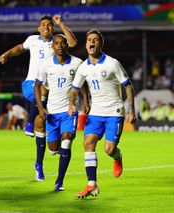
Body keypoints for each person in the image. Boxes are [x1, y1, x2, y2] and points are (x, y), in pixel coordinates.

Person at [0, 15, 77, 181]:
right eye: (43, 25)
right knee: (43, 92)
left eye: (49, 25)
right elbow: (19, 48)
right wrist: (6, 54)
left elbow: (73, 43)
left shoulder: (57, 42)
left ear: (52, 29)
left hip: (51, 91)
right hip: (31, 84)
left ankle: (38, 163)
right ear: (38, 28)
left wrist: (61, 23)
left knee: (41, 124)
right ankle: (28, 122)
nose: (46, 27)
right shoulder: (32, 40)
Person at [68, 29, 136, 199]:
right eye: (89, 40)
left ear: (101, 44)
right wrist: (71, 104)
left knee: (108, 149)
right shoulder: (83, 67)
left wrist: (132, 110)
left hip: (114, 111)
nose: (92, 42)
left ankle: (117, 156)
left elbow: (128, 86)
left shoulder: (112, 63)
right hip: (96, 113)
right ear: (86, 44)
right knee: (88, 142)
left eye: (95, 40)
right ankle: (92, 185)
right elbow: (74, 89)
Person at [34, 34, 89, 191]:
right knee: (53, 149)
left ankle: (59, 181)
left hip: (69, 111)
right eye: (56, 43)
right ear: (52, 46)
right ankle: (56, 153)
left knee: (67, 140)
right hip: (52, 112)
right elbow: (37, 86)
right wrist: (40, 107)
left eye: (62, 43)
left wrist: (86, 101)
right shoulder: (45, 65)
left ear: (67, 45)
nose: (59, 45)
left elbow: (82, 83)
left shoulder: (77, 63)